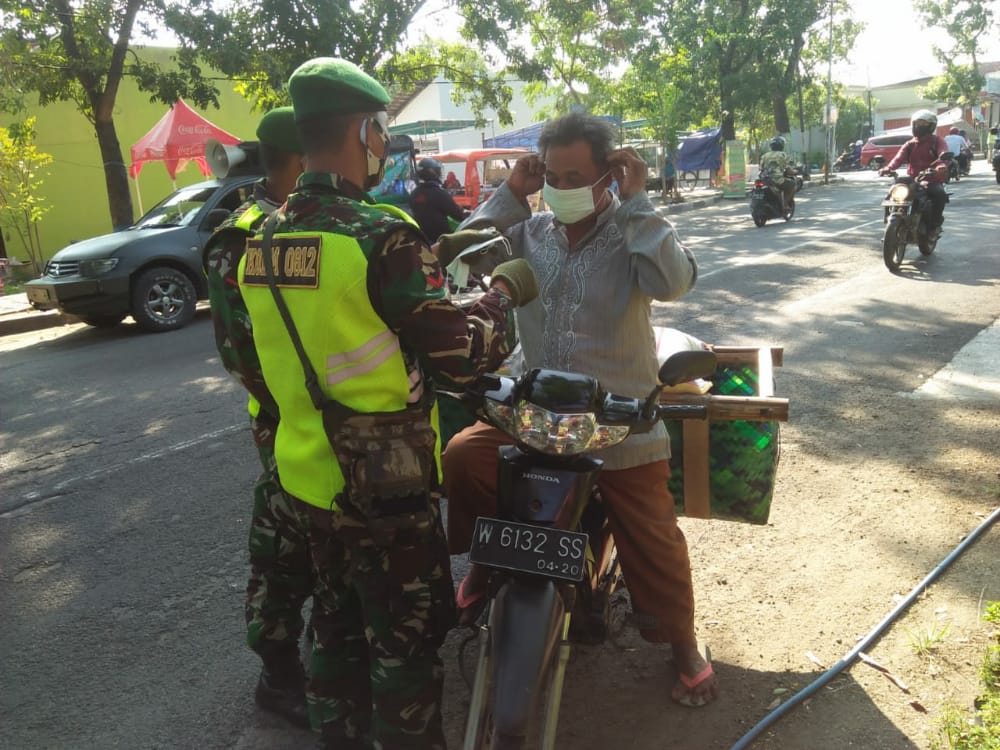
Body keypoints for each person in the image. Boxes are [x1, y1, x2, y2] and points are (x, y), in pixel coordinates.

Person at [237, 56, 537, 750]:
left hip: (307, 478)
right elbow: (460, 353)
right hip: (384, 489)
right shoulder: (378, 234)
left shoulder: (265, 238)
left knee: (336, 626)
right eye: (379, 130)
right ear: (365, 133)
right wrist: (502, 295)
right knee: (404, 645)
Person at [441, 111, 719, 708]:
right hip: (534, 412)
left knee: (653, 534)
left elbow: (674, 282)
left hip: (618, 420)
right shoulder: (529, 233)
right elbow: (462, 256)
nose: (562, 188)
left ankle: (681, 641)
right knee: (464, 457)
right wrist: (512, 193)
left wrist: (638, 200)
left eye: (576, 177)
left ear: (607, 176)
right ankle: (490, 560)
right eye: (553, 176)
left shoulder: (631, 231)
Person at [201, 106, 312, 728]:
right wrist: (306, 407)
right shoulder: (241, 238)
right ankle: (279, 670)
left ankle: (331, 644)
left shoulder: (324, 221)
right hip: (286, 422)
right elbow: (241, 354)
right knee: (283, 544)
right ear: (300, 159)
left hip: (339, 421)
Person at [879, 109, 949, 237]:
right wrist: (888, 168)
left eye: (923, 124)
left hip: (931, 178)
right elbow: (898, 158)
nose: (919, 126)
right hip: (913, 179)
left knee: (939, 194)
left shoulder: (937, 141)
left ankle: (934, 226)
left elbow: (943, 154)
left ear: (931, 126)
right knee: (893, 191)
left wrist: (941, 165)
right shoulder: (910, 144)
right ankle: (889, 218)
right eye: (917, 123)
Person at [408, 157, 469, 242]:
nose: (439, 173)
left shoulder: (414, 194)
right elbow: (458, 214)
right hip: (441, 241)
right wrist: (471, 214)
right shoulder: (439, 193)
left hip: (422, 240)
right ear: (432, 172)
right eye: (438, 170)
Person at [759, 136, 795, 211]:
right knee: (792, 185)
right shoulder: (783, 155)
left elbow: (761, 168)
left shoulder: (765, 155)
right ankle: (784, 205)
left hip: (764, 179)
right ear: (782, 146)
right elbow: (788, 170)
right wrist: (795, 172)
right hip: (777, 180)